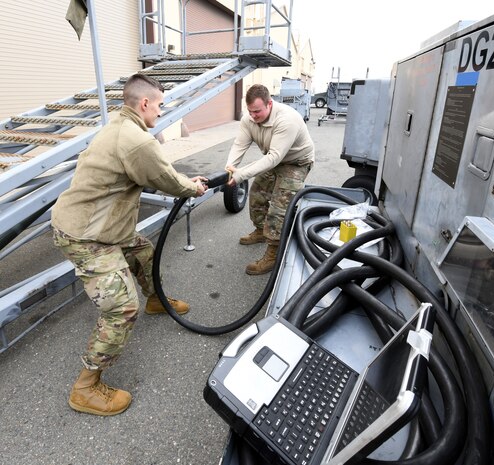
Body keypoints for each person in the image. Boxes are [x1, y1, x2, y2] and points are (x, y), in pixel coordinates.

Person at [51, 73, 208, 416]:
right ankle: (86, 387)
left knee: (143, 252)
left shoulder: (119, 125)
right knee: (122, 307)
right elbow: (164, 178)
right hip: (85, 234)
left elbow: (159, 173)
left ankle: (156, 300)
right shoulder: (137, 141)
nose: (161, 112)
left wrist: (184, 182)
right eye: (160, 106)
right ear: (145, 103)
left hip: (103, 225)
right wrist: (192, 188)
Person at [225, 84, 315, 275]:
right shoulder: (249, 119)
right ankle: (260, 230)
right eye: (250, 111)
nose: (253, 116)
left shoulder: (287, 120)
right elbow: (240, 144)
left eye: (257, 111)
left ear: (269, 104)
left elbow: (274, 157)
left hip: (295, 162)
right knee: (257, 194)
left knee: (279, 207)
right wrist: (230, 167)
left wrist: (242, 174)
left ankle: (273, 252)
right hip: (273, 160)